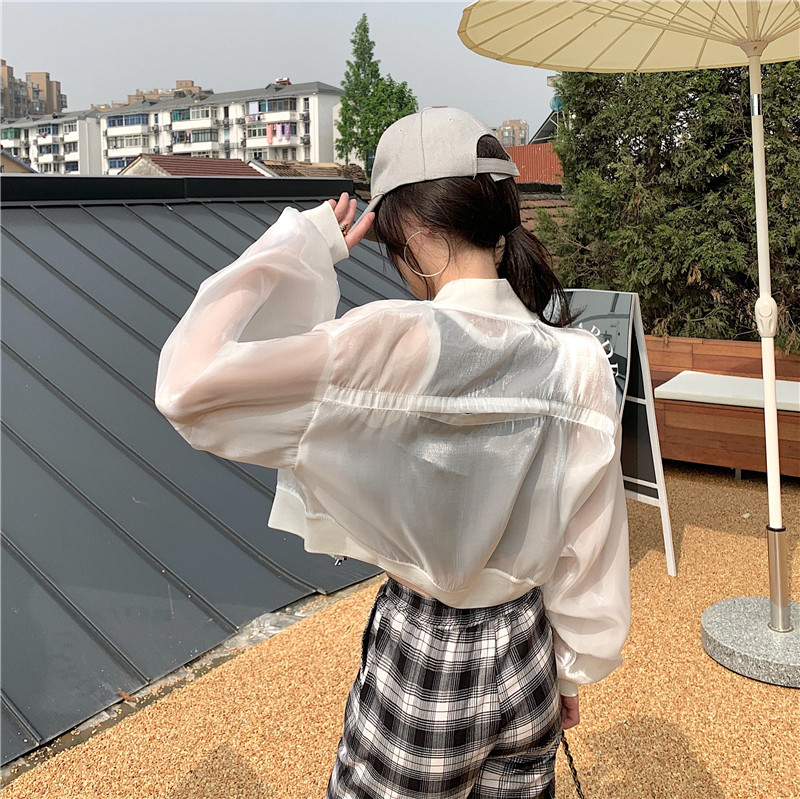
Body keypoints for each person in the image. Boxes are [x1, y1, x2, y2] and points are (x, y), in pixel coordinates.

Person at [155, 107, 630, 799]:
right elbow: (588, 543)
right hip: (529, 650)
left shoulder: (387, 344)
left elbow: (188, 387)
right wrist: (570, 668)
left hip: (426, 652)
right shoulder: (578, 361)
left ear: (415, 229)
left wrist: (303, 245)